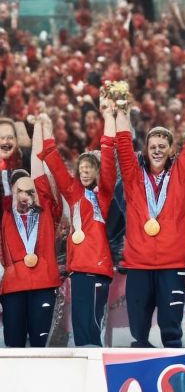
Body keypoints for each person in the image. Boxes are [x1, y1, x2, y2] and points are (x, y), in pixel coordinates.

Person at [115, 92, 185, 348]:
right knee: (139, 332)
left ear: (171, 149)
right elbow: (123, 145)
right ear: (146, 149)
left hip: (172, 264)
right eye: (152, 146)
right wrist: (121, 109)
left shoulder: (181, 173)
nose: (157, 151)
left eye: (162, 146)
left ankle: (173, 378)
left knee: (171, 330)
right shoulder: (134, 176)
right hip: (138, 265)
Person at [37, 102, 117, 347]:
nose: (84, 172)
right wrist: (46, 128)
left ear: (96, 171)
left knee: (92, 322)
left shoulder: (103, 196)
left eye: (89, 168)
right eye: (81, 168)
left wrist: (109, 120)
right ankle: (86, 363)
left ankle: (94, 367)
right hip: (78, 269)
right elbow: (56, 164)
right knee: (81, 323)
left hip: (97, 267)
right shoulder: (73, 194)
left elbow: (110, 165)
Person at [0, 117, 62, 347]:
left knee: (41, 347)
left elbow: (38, 166)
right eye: (18, 189)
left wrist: (39, 130)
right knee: (13, 347)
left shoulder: (46, 209)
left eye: (29, 189)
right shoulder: (5, 213)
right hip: (13, 287)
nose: (24, 194)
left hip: (43, 284)